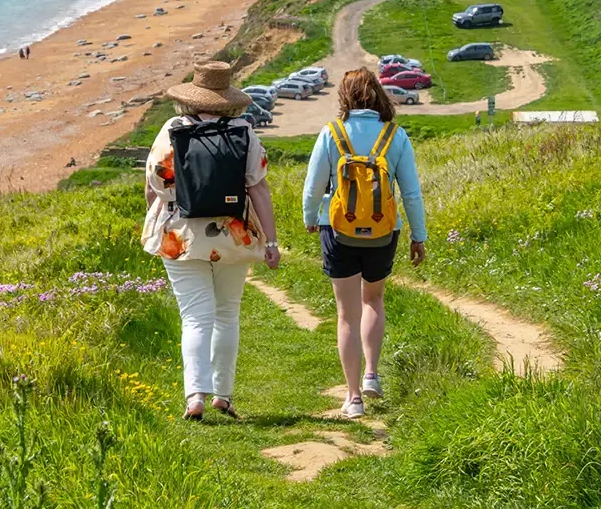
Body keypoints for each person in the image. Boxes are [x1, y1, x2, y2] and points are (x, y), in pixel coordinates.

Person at [144, 60, 282, 420]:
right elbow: (259, 189)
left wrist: (160, 218)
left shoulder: (171, 129)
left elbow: (155, 186)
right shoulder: (243, 131)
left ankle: (195, 397)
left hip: (181, 235)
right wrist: (270, 241)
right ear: (228, 98)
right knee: (226, 314)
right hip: (233, 233)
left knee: (194, 318)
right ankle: (223, 394)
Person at [302, 68, 427, 419]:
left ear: (345, 97)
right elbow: (411, 193)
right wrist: (419, 236)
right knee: (373, 298)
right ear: (378, 94)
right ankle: (372, 374)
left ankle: (353, 397)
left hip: (337, 228)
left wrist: (311, 218)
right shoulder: (395, 135)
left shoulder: (332, 133)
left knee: (346, 314)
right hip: (384, 230)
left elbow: (313, 186)